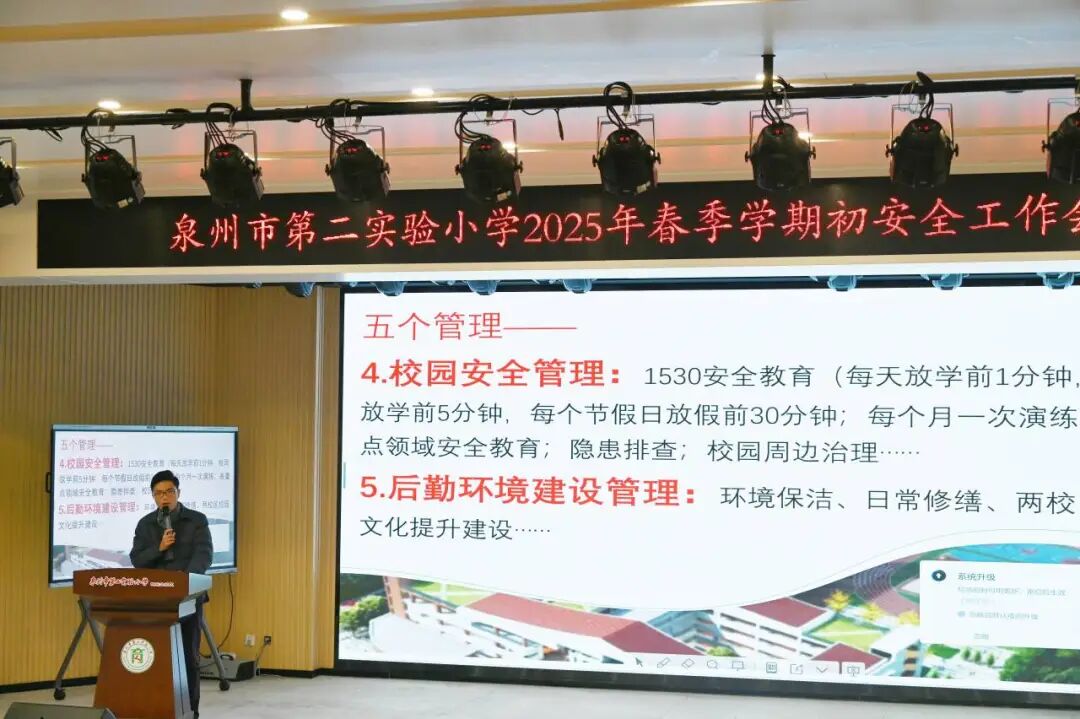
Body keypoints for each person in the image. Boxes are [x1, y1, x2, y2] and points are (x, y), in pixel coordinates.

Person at [130, 470, 213, 719]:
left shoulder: (196, 520)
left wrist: (183, 584)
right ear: (153, 497)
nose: (164, 497)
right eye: (158, 493)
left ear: (178, 493)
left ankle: (191, 710)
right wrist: (159, 548)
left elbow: (204, 556)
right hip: (155, 602)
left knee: (188, 658)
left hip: (188, 599)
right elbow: (137, 560)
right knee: (156, 657)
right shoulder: (145, 524)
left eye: (169, 492)